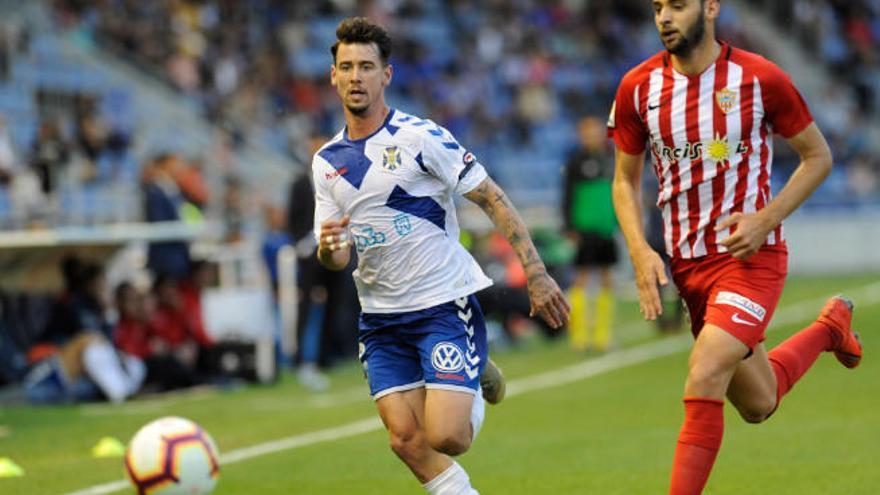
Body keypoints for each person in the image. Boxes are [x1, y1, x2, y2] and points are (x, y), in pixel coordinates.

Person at [608, 1, 863, 493]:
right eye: (657, 6)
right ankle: (830, 328)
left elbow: (818, 157)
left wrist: (766, 219)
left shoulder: (760, 78)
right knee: (758, 403)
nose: (664, 17)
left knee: (704, 372)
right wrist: (641, 251)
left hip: (750, 259)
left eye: (677, 5)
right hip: (688, 268)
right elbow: (624, 180)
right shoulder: (637, 86)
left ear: (709, 7)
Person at [312, 18, 569, 494]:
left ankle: (475, 364)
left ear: (386, 75)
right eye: (345, 66)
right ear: (332, 75)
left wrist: (536, 272)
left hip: (440, 307)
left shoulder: (422, 138)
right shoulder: (326, 161)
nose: (355, 76)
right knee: (405, 440)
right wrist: (330, 250)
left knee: (447, 436)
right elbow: (335, 257)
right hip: (381, 319)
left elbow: (492, 197)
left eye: (366, 66)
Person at [562, 115, 619, 352]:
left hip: (606, 228)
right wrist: (569, 226)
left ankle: (603, 337)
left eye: (596, 132)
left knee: (607, 279)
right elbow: (566, 197)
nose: (592, 137)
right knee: (581, 279)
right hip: (584, 229)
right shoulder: (575, 162)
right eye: (588, 133)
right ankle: (579, 337)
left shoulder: (610, 159)